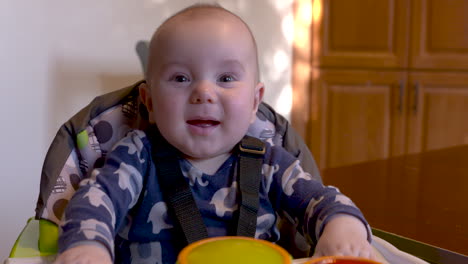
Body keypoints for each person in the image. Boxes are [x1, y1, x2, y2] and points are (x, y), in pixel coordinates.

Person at [54, 4, 375, 264]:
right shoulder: (135, 155)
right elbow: (98, 198)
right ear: (149, 102)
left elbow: (319, 199)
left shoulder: (270, 162)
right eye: (180, 78)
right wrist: (88, 245)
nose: (204, 92)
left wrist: (341, 224)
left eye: (225, 77)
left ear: (254, 102)